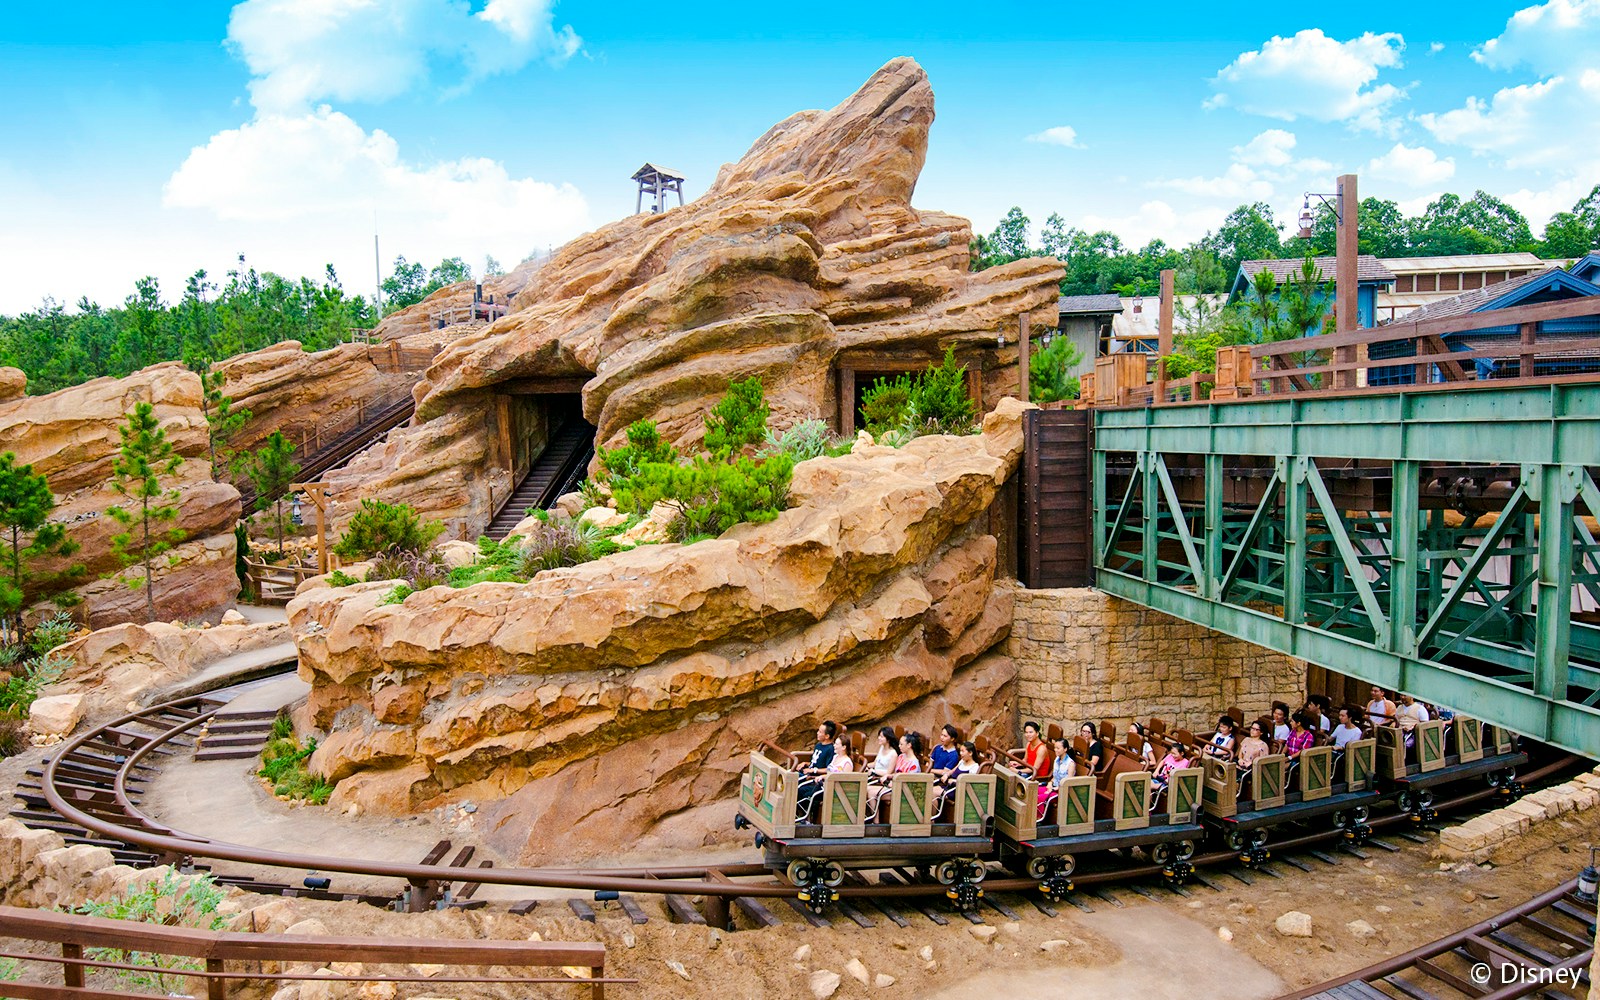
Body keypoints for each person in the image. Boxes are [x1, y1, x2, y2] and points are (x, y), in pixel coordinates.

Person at [801, 733, 855, 820]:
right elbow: (829, 771)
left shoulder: (847, 763)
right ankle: (802, 816)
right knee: (801, 790)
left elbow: (844, 781)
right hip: (823, 784)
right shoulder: (835, 757)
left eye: (836, 744)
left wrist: (824, 777)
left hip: (834, 789)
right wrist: (821, 776)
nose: (834, 746)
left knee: (810, 796)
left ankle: (811, 820)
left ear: (843, 747)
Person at [1037, 735, 1077, 819]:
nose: (1055, 750)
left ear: (1065, 749)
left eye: (1058, 748)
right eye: (1055, 748)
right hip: (1052, 786)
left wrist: (1054, 789)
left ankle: (1039, 818)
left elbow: (1068, 783)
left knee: (1040, 798)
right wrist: (1050, 783)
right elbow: (1055, 777)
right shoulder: (1056, 759)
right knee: (1034, 791)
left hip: (1061, 791)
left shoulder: (1070, 764)